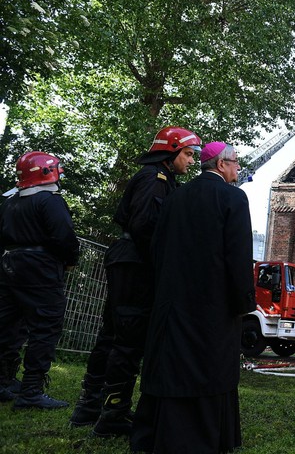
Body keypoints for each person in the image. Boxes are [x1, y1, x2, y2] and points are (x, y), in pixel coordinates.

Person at [70, 126, 201, 436]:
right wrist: (166, 262)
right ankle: (113, 413)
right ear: (170, 152)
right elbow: (146, 226)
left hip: (128, 259)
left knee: (112, 334)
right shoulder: (154, 180)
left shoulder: (159, 178)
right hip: (136, 264)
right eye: (187, 154)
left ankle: (89, 407)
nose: (192, 161)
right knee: (127, 338)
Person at [130, 142, 255, 454]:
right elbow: (238, 256)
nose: (239, 169)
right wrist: (243, 304)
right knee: (208, 369)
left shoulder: (175, 196)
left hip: (172, 301)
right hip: (213, 306)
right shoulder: (233, 197)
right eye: (236, 163)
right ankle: (204, 439)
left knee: (170, 365)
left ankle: (156, 434)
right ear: (222, 164)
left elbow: (156, 247)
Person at [0, 151, 80, 408]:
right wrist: (69, 260)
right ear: (48, 172)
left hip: (9, 265)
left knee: (9, 325)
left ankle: (3, 382)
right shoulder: (49, 200)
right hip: (40, 269)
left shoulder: (10, 202)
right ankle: (31, 390)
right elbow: (64, 236)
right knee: (45, 326)